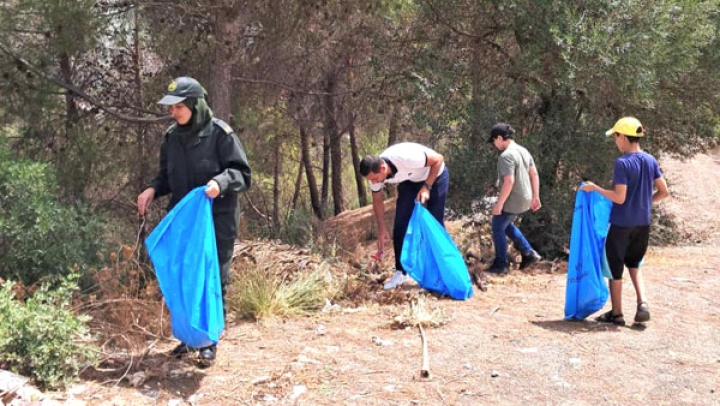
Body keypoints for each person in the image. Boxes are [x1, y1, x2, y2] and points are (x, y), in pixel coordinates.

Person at [137, 77, 252, 364]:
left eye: (178, 107)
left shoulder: (221, 135)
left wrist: (221, 182)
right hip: (185, 223)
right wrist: (152, 189)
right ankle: (189, 337)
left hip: (218, 221)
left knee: (214, 278)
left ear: (194, 105)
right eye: (171, 107)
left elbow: (242, 174)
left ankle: (209, 341)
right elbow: (166, 177)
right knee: (184, 277)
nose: (172, 112)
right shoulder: (171, 138)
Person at [580, 117, 669, 326]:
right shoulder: (650, 160)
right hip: (642, 224)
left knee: (614, 268)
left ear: (623, 137)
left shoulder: (622, 163)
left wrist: (594, 188)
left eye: (616, 137)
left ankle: (617, 314)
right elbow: (664, 191)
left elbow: (619, 197)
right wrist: (645, 204)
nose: (615, 142)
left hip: (621, 224)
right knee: (634, 264)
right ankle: (642, 303)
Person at [359, 142, 449, 290]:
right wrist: (382, 229)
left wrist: (427, 187)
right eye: (370, 180)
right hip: (410, 181)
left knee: (435, 223)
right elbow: (377, 201)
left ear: (383, 168)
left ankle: (442, 270)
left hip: (435, 175)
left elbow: (438, 159)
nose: (373, 182)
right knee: (401, 224)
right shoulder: (375, 174)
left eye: (375, 178)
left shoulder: (405, 157)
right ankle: (402, 272)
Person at [486, 123, 542, 274]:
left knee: (497, 227)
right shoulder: (523, 150)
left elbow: (509, 181)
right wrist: (535, 196)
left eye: (493, 141)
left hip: (513, 199)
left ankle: (501, 264)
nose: (494, 144)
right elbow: (534, 174)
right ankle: (529, 253)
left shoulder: (506, 156)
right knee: (506, 224)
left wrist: (499, 204)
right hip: (526, 197)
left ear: (499, 138)